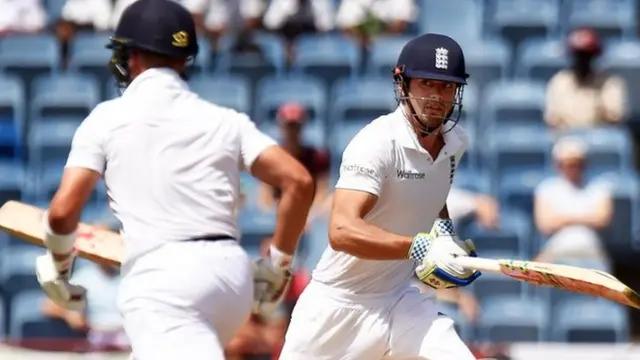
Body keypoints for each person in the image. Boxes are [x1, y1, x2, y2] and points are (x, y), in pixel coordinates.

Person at [32, 1, 315, 359]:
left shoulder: (106, 118)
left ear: (131, 57)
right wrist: (278, 265)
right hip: (231, 277)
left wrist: (57, 267)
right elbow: (299, 182)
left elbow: (61, 213)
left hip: (164, 281)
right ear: (184, 60)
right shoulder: (225, 120)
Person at [279, 33, 482, 359]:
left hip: (400, 301)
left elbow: (431, 188)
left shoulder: (456, 141)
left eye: (446, 86)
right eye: (426, 83)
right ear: (402, 84)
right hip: (336, 308)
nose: (436, 96)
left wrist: (443, 233)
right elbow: (342, 231)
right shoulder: (376, 142)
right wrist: (423, 246)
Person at [533, 137, 613, 268]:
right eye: (569, 164)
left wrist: (564, 219)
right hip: (556, 249)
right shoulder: (546, 188)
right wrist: (585, 217)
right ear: (558, 164)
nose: (574, 168)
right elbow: (545, 224)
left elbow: (602, 219)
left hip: (591, 250)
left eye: (578, 163)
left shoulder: (599, 187)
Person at [544, 27, 627, 131]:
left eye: (587, 55)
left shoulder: (610, 83)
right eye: (579, 55)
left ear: (594, 56)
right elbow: (552, 120)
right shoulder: (559, 82)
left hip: (599, 138)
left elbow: (615, 117)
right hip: (567, 138)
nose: (582, 60)